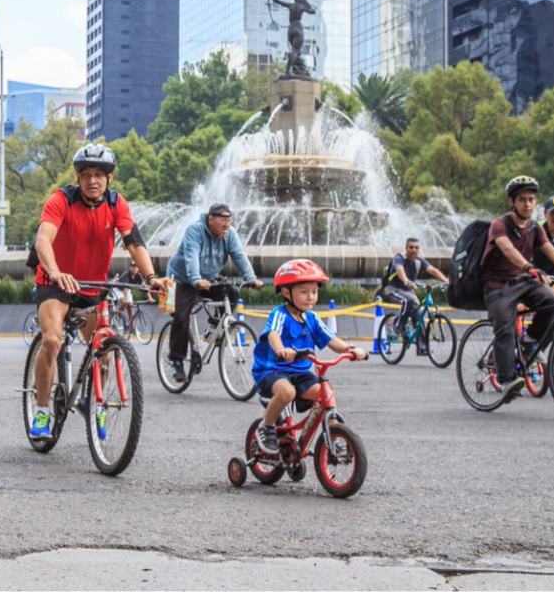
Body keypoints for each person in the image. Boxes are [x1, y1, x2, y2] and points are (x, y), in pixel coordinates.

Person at [29, 143, 163, 440]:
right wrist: (55, 271)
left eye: (99, 174)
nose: (92, 180)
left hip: (93, 286)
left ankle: (96, 404)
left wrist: (151, 277)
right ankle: (41, 410)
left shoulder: (117, 204)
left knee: (102, 352)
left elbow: (135, 243)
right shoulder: (60, 200)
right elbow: (43, 240)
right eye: (86, 174)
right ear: (78, 178)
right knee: (52, 340)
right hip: (55, 282)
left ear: (109, 177)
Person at [481, 176, 554, 401]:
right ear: (512, 202)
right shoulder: (500, 224)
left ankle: (529, 342)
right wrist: (528, 266)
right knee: (506, 329)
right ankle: (507, 379)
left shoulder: (534, 228)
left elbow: (552, 252)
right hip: (497, 285)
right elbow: (508, 250)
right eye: (522, 200)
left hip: (521, 281)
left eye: (531, 199)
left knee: (552, 302)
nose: (528, 204)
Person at [251, 259, 366, 455]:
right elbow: (273, 334)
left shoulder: (312, 318)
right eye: (304, 292)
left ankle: (333, 431)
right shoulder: (280, 314)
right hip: (272, 370)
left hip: (300, 372)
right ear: (287, 292)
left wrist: (350, 349)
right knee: (287, 393)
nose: (310, 297)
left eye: (314, 291)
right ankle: (266, 425)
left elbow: (330, 339)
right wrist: (281, 350)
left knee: (326, 391)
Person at [165, 204, 264, 383]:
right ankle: (177, 360)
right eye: (222, 219)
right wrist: (195, 278)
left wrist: (251, 277)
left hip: (208, 279)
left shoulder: (230, 235)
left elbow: (239, 256)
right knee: (180, 318)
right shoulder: (195, 230)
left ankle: (215, 329)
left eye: (229, 219)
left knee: (232, 292)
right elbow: (191, 256)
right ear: (210, 219)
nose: (227, 223)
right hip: (180, 280)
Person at [379, 238, 448, 353]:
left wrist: (446, 281)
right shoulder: (399, 258)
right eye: (411, 247)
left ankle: (422, 347)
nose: (413, 250)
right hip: (393, 289)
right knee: (407, 301)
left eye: (416, 247)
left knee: (419, 315)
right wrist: (406, 281)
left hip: (408, 291)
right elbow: (399, 269)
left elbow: (432, 270)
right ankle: (398, 325)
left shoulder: (419, 260)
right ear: (406, 248)